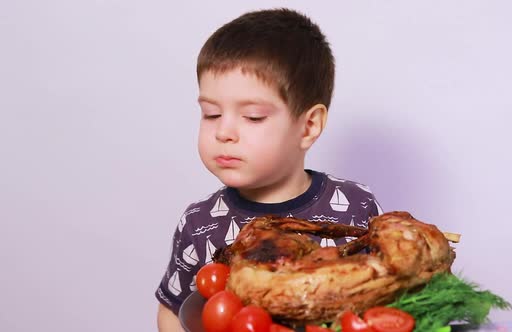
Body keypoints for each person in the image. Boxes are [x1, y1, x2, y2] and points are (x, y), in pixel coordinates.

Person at [155, 8, 383, 331]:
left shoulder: (356, 207)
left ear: (308, 127)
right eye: (211, 114)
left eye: (253, 117)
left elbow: (386, 306)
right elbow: (171, 311)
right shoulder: (199, 223)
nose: (224, 132)